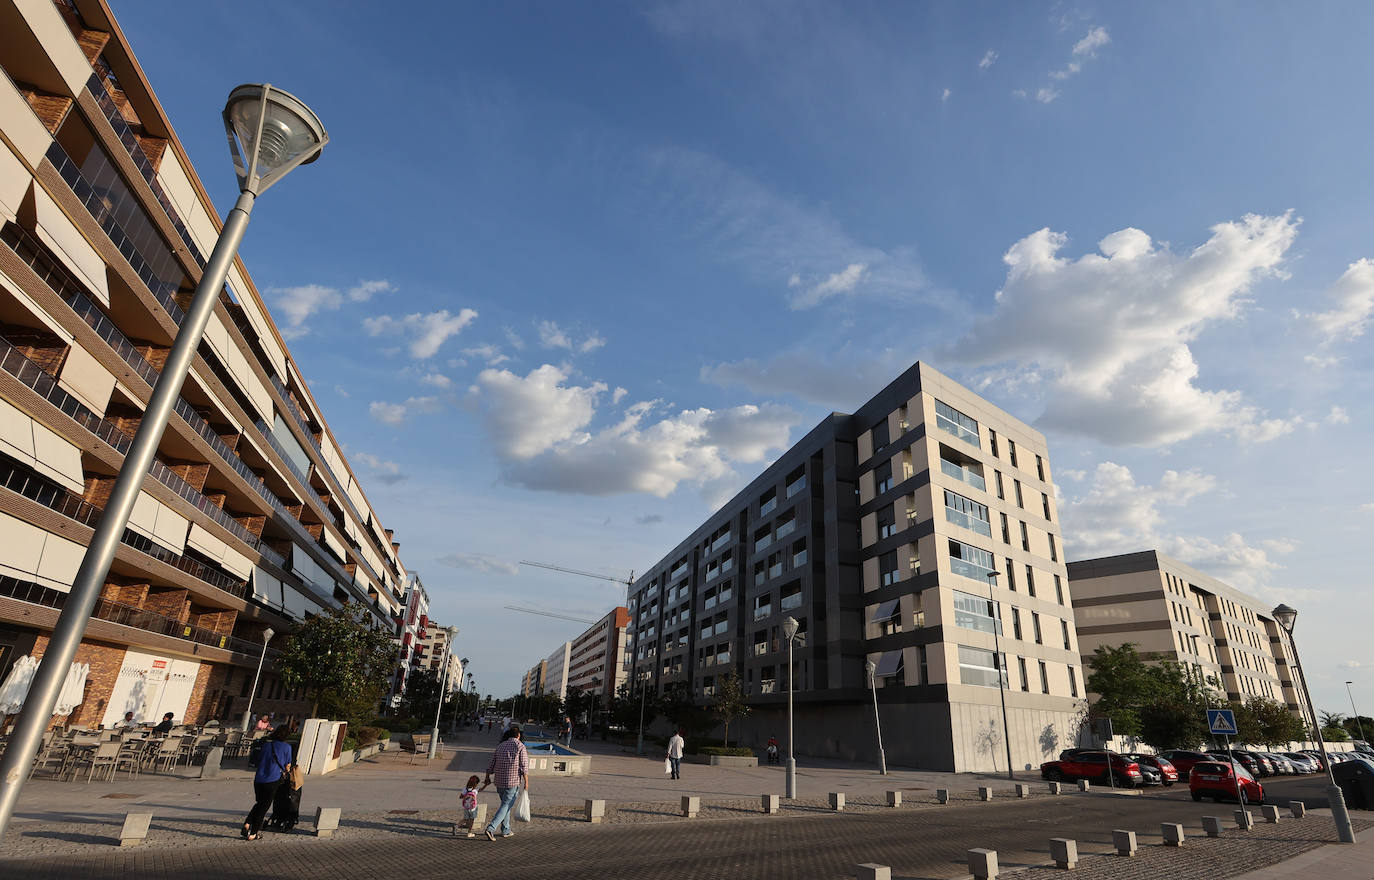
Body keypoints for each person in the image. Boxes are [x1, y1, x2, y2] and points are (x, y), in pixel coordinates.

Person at [242, 725, 294, 840]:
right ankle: (253, 833)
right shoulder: (287, 747)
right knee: (263, 807)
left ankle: (247, 823)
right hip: (273, 779)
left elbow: (258, 759)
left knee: (259, 803)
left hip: (259, 778)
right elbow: (287, 765)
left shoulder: (266, 745)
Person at [482, 726, 529, 840]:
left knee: (505, 805)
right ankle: (491, 828)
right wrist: (526, 782)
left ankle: (506, 829)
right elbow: (524, 766)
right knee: (506, 805)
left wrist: (487, 777)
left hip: (499, 781)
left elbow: (491, 764)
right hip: (512, 781)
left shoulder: (500, 746)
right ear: (518, 735)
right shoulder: (520, 746)